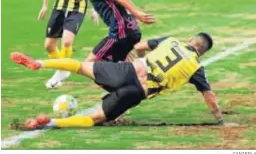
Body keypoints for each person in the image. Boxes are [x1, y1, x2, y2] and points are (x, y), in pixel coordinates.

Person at [10, 32, 229, 130]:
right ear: (203, 52)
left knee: (79, 66)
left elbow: (140, 46)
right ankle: (51, 122)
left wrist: (139, 60)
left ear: (190, 41)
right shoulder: (196, 68)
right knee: (96, 118)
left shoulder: (172, 41)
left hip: (127, 70)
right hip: (137, 92)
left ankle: (40, 63)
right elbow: (209, 96)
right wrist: (219, 120)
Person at [58, 0, 154, 66]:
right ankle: (142, 73)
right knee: (116, 67)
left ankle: (145, 72)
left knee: (89, 64)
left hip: (121, 34)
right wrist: (124, 47)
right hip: (127, 33)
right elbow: (120, 4)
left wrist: (136, 13)